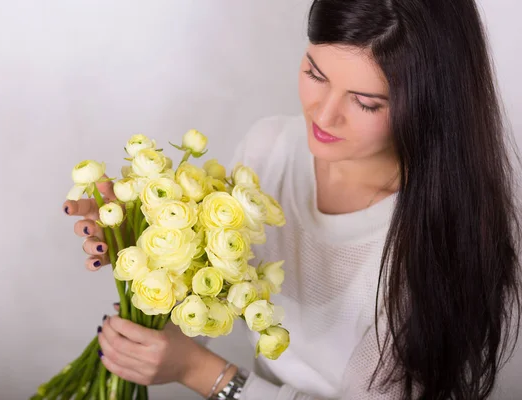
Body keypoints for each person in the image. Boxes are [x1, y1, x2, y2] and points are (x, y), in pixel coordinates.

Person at [62, 0, 522, 398]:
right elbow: (217, 295)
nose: (323, 115)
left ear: (428, 104)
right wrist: (142, 241)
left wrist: (200, 373)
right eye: (315, 74)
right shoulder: (269, 149)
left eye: (365, 103)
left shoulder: (431, 240)